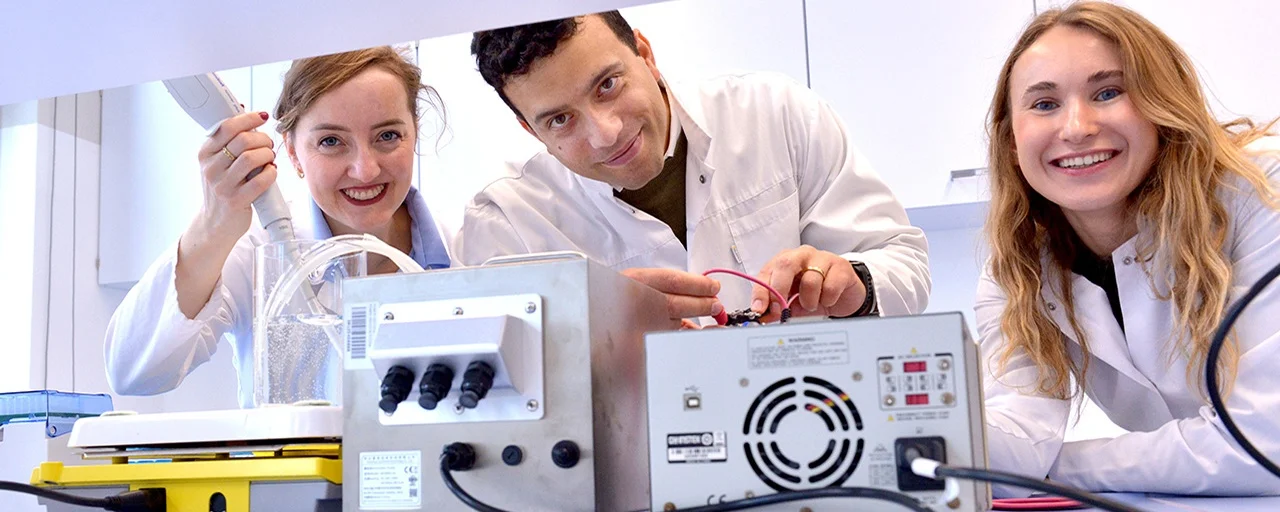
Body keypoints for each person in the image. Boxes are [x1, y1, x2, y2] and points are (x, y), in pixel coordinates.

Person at [978, 1, 1280, 497]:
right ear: (1012, 141)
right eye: (1045, 104)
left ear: (1165, 107)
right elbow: (1019, 438)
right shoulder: (1018, 268)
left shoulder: (1261, 191)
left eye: (1108, 92)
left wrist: (1060, 468)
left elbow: (1264, 442)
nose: (1076, 127)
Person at [455, 11, 930, 325]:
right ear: (530, 130)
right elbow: (502, 387)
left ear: (645, 54)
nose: (606, 133)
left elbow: (903, 261)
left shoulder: (775, 113)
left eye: (608, 85)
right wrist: (595, 329)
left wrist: (858, 284)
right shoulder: (507, 222)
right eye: (560, 120)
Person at [104, 46, 452, 408]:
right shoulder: (259, 255)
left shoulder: (468, 245)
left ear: (414, 133)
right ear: (293, 153)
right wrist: (213, 224)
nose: (365, 170)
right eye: (331, 141)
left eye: (388, 136)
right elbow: (132, 372)